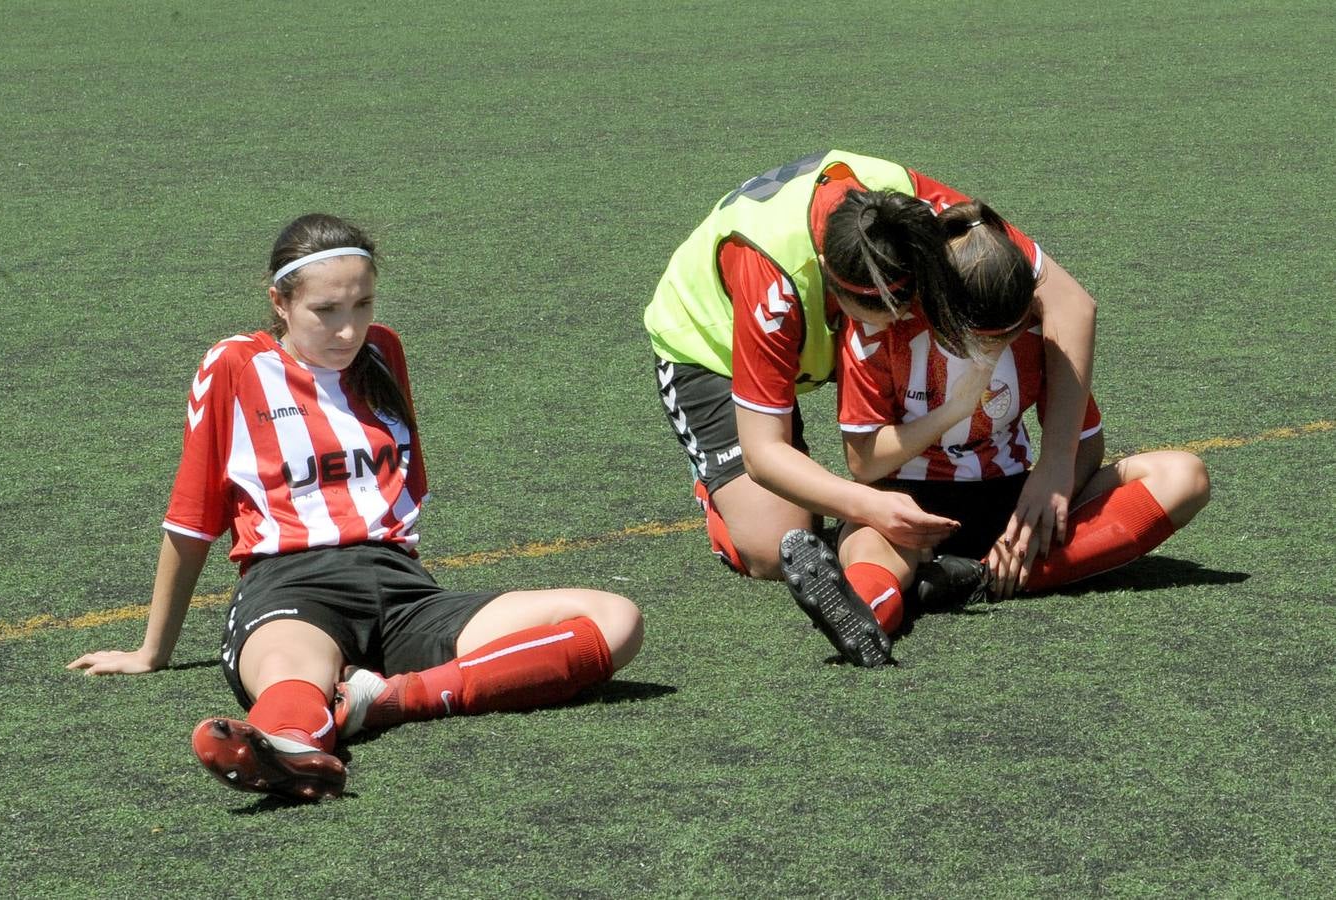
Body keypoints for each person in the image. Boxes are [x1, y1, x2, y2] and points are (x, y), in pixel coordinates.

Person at [68, 214, 644, 801]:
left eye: (363, 305)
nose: (348, 331)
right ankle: (291, 750)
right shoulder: (235, 365)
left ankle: (390, 699)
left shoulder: (383, 351)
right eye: (326, 311)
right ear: (280, 303)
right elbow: (192, 520)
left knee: (615, 620)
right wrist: (152, 651)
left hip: (402, 589)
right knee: (294, 679)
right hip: (291, 587)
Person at [644, 150, 1097, 596]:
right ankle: (717, 492)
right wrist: (869, 505)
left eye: (907, 302)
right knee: (773, 546)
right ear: (828, 274)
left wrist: (1057, 464)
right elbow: (764, 453)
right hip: (714, 344)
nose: (897, 323)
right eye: (876, 312)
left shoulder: (926, 212)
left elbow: (1071, 303)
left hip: (816, 315)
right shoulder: (773, 280)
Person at [778, 200, 1210, 666]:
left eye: (1011, 333)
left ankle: (971, 578)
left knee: (1184, 476)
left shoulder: (1040, 333)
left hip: (1012, 501)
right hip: (909, 507)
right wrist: (955, 409)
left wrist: (1044, 502)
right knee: (866, 543)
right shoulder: (882, 327)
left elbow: (1086, 446)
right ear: (941, 308)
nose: (998, 348)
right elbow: (863, 462)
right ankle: (868, 613)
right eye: (983, 339)